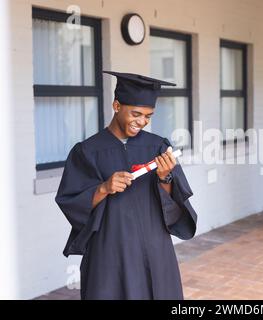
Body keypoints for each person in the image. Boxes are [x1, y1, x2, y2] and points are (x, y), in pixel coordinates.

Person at [55, 71, 197, 299]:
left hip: (154, 249)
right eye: (136, 114)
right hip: (110, 251)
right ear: (117, 105)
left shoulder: (158, 147)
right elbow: (70, 202)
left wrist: (164, 177)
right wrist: (104, 188)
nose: (142, 122)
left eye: (148, 116)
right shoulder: (87, 151)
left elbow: (176, 208)